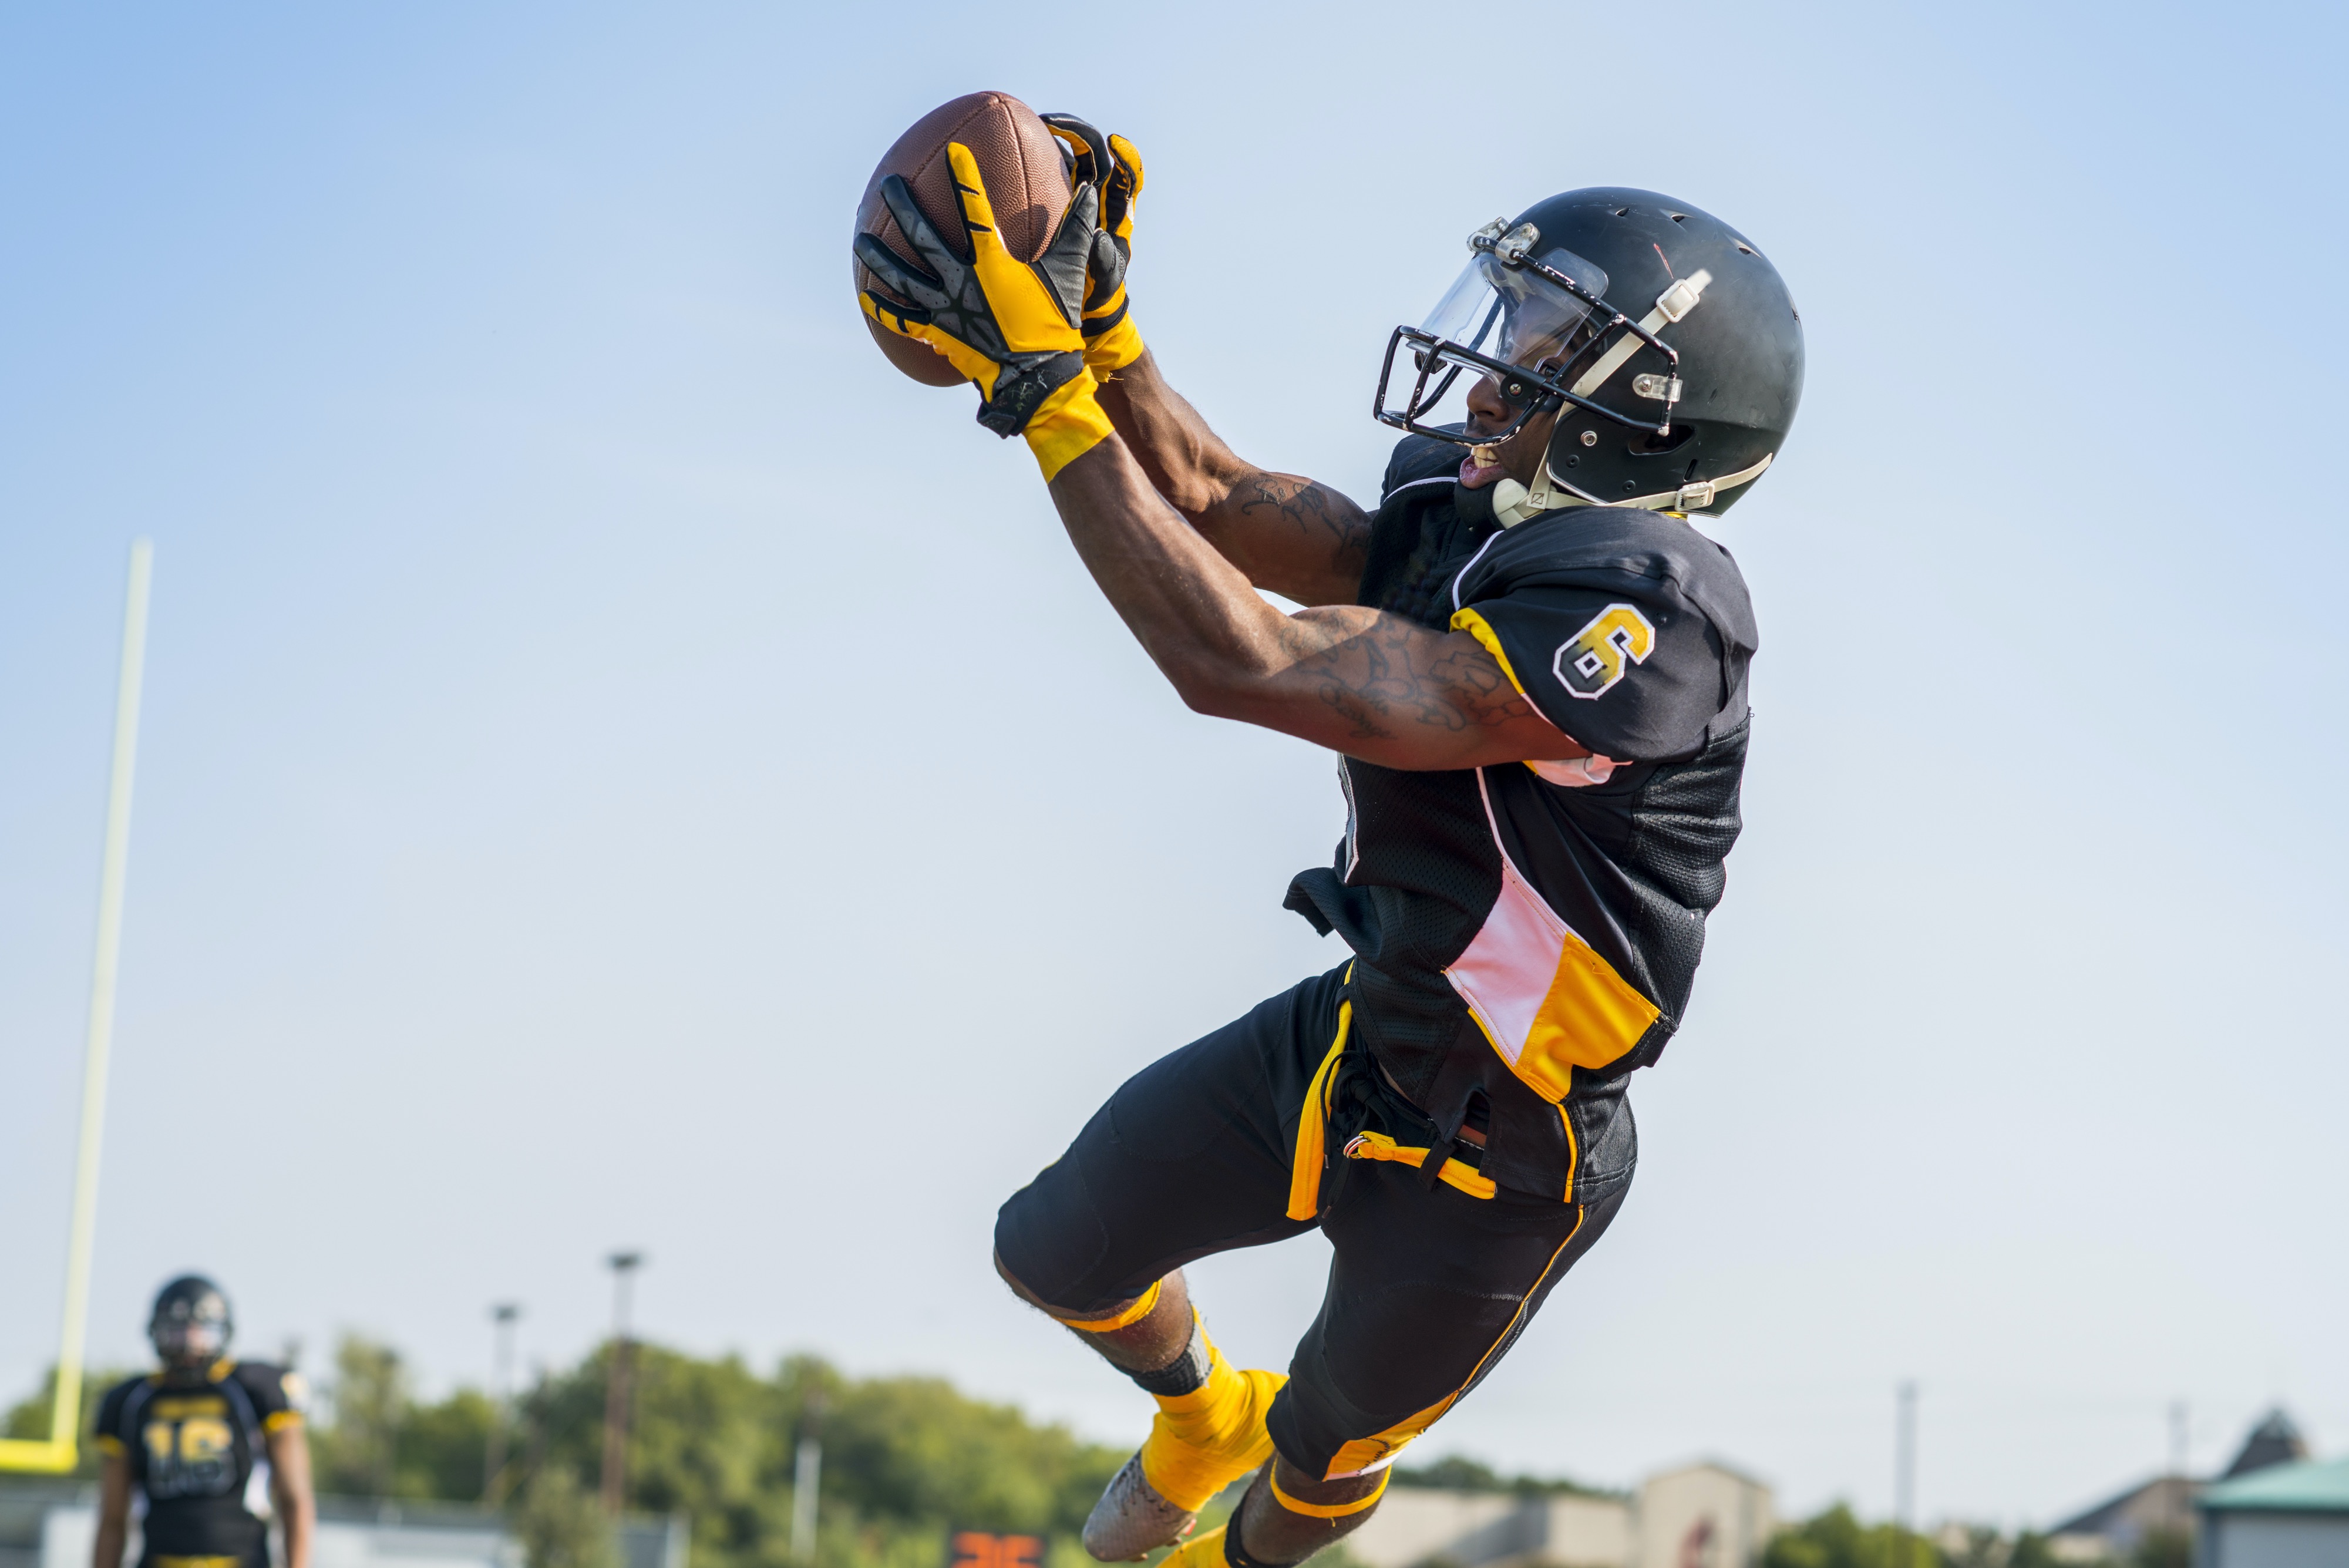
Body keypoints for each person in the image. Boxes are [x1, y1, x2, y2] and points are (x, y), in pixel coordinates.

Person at [855, 119, 1802, 1568]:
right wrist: (1103, 334)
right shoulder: (1485, 509)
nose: (1497, 358)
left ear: (1646, 412)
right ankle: (1195, 1415)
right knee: (1050, 1250)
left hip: (1508, 1144)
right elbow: (1223, 502)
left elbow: (1251, 662)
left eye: (1546, 335)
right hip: (1362, 1029)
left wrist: (1041, 392)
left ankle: (1259, 1486)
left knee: (1294, 1497)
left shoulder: (1655, 603)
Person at [94, 1277, 313, 1568]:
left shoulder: (254, 1389)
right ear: (155, 1332)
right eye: (176, 1331)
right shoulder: (131, 1401)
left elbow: (295, 1500)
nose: (188, 1344)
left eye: (201, 1332)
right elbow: (112, 1518)